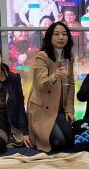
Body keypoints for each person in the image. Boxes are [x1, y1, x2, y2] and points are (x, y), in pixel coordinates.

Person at [27, 21, 75, 152]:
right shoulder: (42, 56)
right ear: (49, 37)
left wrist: (69, 109)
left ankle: (59, 121)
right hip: (43, 109)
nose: (61, 37)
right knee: (58, 143)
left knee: (71, 139)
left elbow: (71, 84)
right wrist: (54, 76)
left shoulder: (68, 56)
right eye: (56, 34)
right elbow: (41, 84)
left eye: (64, 34)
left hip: (59, 109)